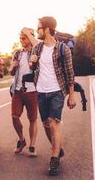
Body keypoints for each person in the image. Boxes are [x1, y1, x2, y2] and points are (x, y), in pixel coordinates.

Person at [29, 16, 76, 176]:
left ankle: (54, 159)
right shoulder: (37, 49)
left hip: (57, 91)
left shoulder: (63, 49)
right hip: (41, 92)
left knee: (54, 123)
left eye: (39, 28)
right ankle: (58, 146)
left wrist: (71, 95)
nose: (37, 31)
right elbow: (32, 68)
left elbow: (70, 74)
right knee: (46, 125)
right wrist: (32, 63)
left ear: (47, 29)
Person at [9, 28, 38, 157]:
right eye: (20, 37)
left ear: (31, 37)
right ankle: (22, 140)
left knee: (32, 119)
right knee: (14, 117)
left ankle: (32, 145)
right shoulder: (17, 53)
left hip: (32, 91)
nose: (22, 39)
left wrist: (33, 64)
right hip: (18, 90)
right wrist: (13, 67)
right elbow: (11, 72)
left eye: (24, 37)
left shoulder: (36, 51)